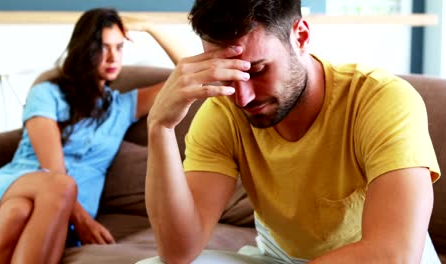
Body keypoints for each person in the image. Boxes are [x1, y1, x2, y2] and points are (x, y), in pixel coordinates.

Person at [140, 0, 442, 263]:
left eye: (257, 70)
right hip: (278, 258)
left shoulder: (381, 100)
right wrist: (160, 127)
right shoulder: (223, 113)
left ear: (301, 36)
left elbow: (394, 254)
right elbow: (178, 252)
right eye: (229, 75)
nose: (242, 98)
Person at [0, 7, 181, 264]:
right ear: (85, 49)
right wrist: (83, 220)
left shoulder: (123, 106)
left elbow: (190, 73)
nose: (112, 58)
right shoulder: (47, 94)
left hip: (55, 209)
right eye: (103, 48)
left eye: (119, 47)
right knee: (59, 186)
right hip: (15, 184)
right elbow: (53, 171)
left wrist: (153, 28)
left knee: (17, 212)